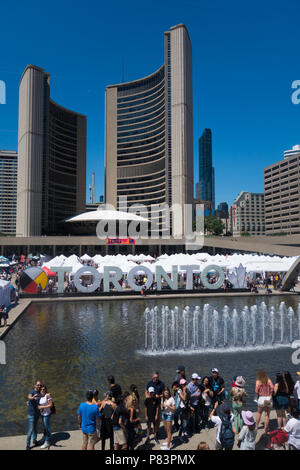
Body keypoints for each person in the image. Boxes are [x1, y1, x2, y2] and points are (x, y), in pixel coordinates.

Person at [26, 380, 42, 450]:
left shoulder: (40, 393)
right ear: (35, 385)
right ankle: (27, 445)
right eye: (38, 385)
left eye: (40, 385)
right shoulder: (32, 392)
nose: (39, 386)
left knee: (35, 428)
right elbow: (29, 397)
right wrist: (32, 398)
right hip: (31, 414)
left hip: (37, 414)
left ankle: (35, 441)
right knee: (31, 430)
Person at [38, 385, 53, 449]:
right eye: (41, 389)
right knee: (44, 427)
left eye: (44, 389)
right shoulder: (39, 396)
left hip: (47, 414)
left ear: (46, 390)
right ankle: (45, 438)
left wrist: (42, 407)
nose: (42, 390)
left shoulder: (48, 395)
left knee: (47, 428)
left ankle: (47, 442)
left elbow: (50, 405)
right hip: (42, 414)